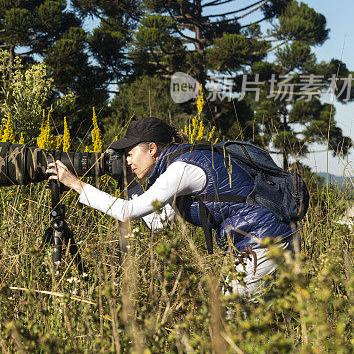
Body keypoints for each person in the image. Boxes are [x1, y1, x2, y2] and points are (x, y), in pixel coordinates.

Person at [46, 117, 292, 296]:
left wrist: (76, 184)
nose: (128, 160)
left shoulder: (180, 169)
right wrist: (128, 184)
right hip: (267, 239)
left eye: (130, 153)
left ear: (152, 149)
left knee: (231, 316)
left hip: (263, 241)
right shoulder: (178, 165)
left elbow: (125, 212)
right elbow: (157, 222)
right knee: (263, 317)